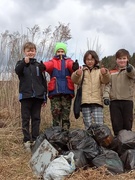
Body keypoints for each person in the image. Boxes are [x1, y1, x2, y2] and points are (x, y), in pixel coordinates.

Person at [15, 42, 47, 152]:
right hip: (25, 96)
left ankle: (35, 140)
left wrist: (44, 97)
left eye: (32, 50)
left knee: (36, 119)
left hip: (37, 97)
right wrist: (24, 62)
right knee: (25, 119)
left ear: (35, 52)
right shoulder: (20, 64)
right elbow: (17, 71)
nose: (30, 52)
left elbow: (43, 82)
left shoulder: (39, 65)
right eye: (28, 50)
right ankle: (26, 141)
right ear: (24, 51)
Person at [40, 42, 79, 130]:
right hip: (55, 92)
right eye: (58, 51)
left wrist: (74, 67)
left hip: (67, 92)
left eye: (62, 51)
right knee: (55, 114)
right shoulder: (52, 62)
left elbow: (71, 66)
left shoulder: (68, 61)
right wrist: (43, 66)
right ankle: (56, 133)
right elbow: (48, 65)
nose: (60, 53)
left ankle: (65, 133)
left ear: (65, 52)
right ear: (56, 52)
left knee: (65, 115)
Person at [71, 50, 110, 130]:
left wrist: (105, 73)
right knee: (88, 126)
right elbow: (74, 80)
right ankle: (90, 142)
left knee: (99, 126)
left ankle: (100, 142)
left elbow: (105, 80)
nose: (90, 61)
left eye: (92, 59)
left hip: (97, 102)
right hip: (85, 102)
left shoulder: (99, 71)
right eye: (88, 59)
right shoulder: (82, 71)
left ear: (95, 60)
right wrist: (76, 74)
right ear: (85, 60)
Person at [103, 48, 135, 136]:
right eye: (120, 58)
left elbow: (132, 73)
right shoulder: (112, 72)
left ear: (128, 59)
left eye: (124, 58)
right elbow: (108, 86)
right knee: (116, 125)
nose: (122, 60)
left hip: (127, 102)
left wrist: (129, 68)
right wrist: (106, 97)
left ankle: (127, 145)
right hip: (114, 103)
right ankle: (118, 144)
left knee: (127, 125)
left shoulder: (130, 71)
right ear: (116, 60)